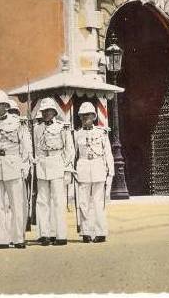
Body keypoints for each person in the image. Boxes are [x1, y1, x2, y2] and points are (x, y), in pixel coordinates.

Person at [0, 90, 31, 249]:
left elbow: (25, 147)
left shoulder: (18, 122)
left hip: (14, 163)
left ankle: (18, 238)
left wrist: (25, 166)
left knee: (16, 203)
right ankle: (0, 239)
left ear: (6, 105)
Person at [33, 98, 74, 246]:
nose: (46, 113)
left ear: (54, 112)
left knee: (58, 200)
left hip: (57, 162)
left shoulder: (62, 128)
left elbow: (69, 149)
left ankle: (60, 235)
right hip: (43, 164)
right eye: (43, 111)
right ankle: (45, 234)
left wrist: (66, 167)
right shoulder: (37, 129)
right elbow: (37, 148)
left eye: (48, 111)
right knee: (42, 200)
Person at [73, 102, 113, 243]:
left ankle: (100, 232)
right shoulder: (77, 134)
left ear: (94, 116)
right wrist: (72, 172)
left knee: (98, 203)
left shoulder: (101, 133)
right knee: (83, 203)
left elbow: (108, 153)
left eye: (88, 115)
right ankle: (86, 232)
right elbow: (74, 154)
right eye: (82, 115)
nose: (85, 118)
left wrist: (111, 172)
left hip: (98, 168)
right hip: (82, 169)